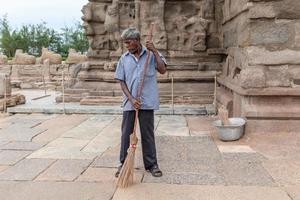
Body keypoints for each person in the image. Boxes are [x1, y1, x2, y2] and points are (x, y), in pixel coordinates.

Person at [114, 27, 167, 178]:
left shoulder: (150, 55)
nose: (126, 45)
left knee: (147, 134)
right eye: (125, 42)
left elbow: (162, 70)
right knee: (126, 134)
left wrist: (155, 51)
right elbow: (121, 82)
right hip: (130, 103)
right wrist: (131, 99)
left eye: (128, 42)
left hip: (147, 102)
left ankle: (152, 165)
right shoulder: (124, 59)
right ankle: (123, 163)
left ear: (137, 41)